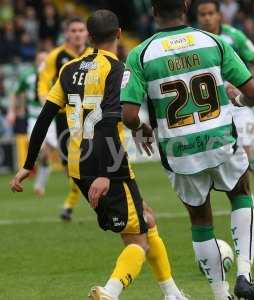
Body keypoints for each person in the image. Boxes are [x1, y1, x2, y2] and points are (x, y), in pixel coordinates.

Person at [10, 9, 187, 300]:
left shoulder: (69, 69)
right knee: (137, 241)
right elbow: (107, 123)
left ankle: (172, 293)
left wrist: (28, 165)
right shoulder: (118, 69)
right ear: (119, 34)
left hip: (79, 166)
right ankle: (110, 292)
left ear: (89, 38)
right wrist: (106, 174)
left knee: (146, 218)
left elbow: (43, 118)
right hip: (109, 164)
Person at [121, 1, 254, 299]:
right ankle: (244, 274)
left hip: (179, 150)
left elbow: (127, 114)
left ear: (153, 11)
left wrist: (141, 128)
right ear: (186, 7)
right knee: (241, 195)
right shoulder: (212, 41)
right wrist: (237, 101)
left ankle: (220, 294)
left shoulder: (140, 54)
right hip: (220, 140)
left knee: (200, 219)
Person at [196, 0, 254, 211]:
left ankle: (253, 195)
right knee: (224, 151)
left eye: (210, 13)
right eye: (203, 14)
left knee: (242, 149)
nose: (207, 18)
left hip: (242, 102)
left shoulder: (235, 36)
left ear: (219, 16)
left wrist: (239, 82)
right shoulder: (195, 41)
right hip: (215, 104)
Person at [38, 17, 92, 221]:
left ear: (87, 33)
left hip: (89, 115)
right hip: (64, 117)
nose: (78, 34)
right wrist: (46, 98)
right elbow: (43, 82)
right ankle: (74, 202)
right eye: (74, 30)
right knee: (72, 166)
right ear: (67, 33)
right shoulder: (55, 56)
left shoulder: (93, 56)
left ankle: (69, 205)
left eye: (81, 30)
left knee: (89, 160)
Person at [7, 51, 57, 197]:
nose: (43, 63)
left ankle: (40, 183)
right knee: (41, 150)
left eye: (45, 60)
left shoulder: (54, 76)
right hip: (33, 118)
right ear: (36, 61)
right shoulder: (27, 75)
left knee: (48, 153)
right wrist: (12, 111)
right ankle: (39, 183)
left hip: (52, 119)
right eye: (40, 60)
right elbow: (15, 92)